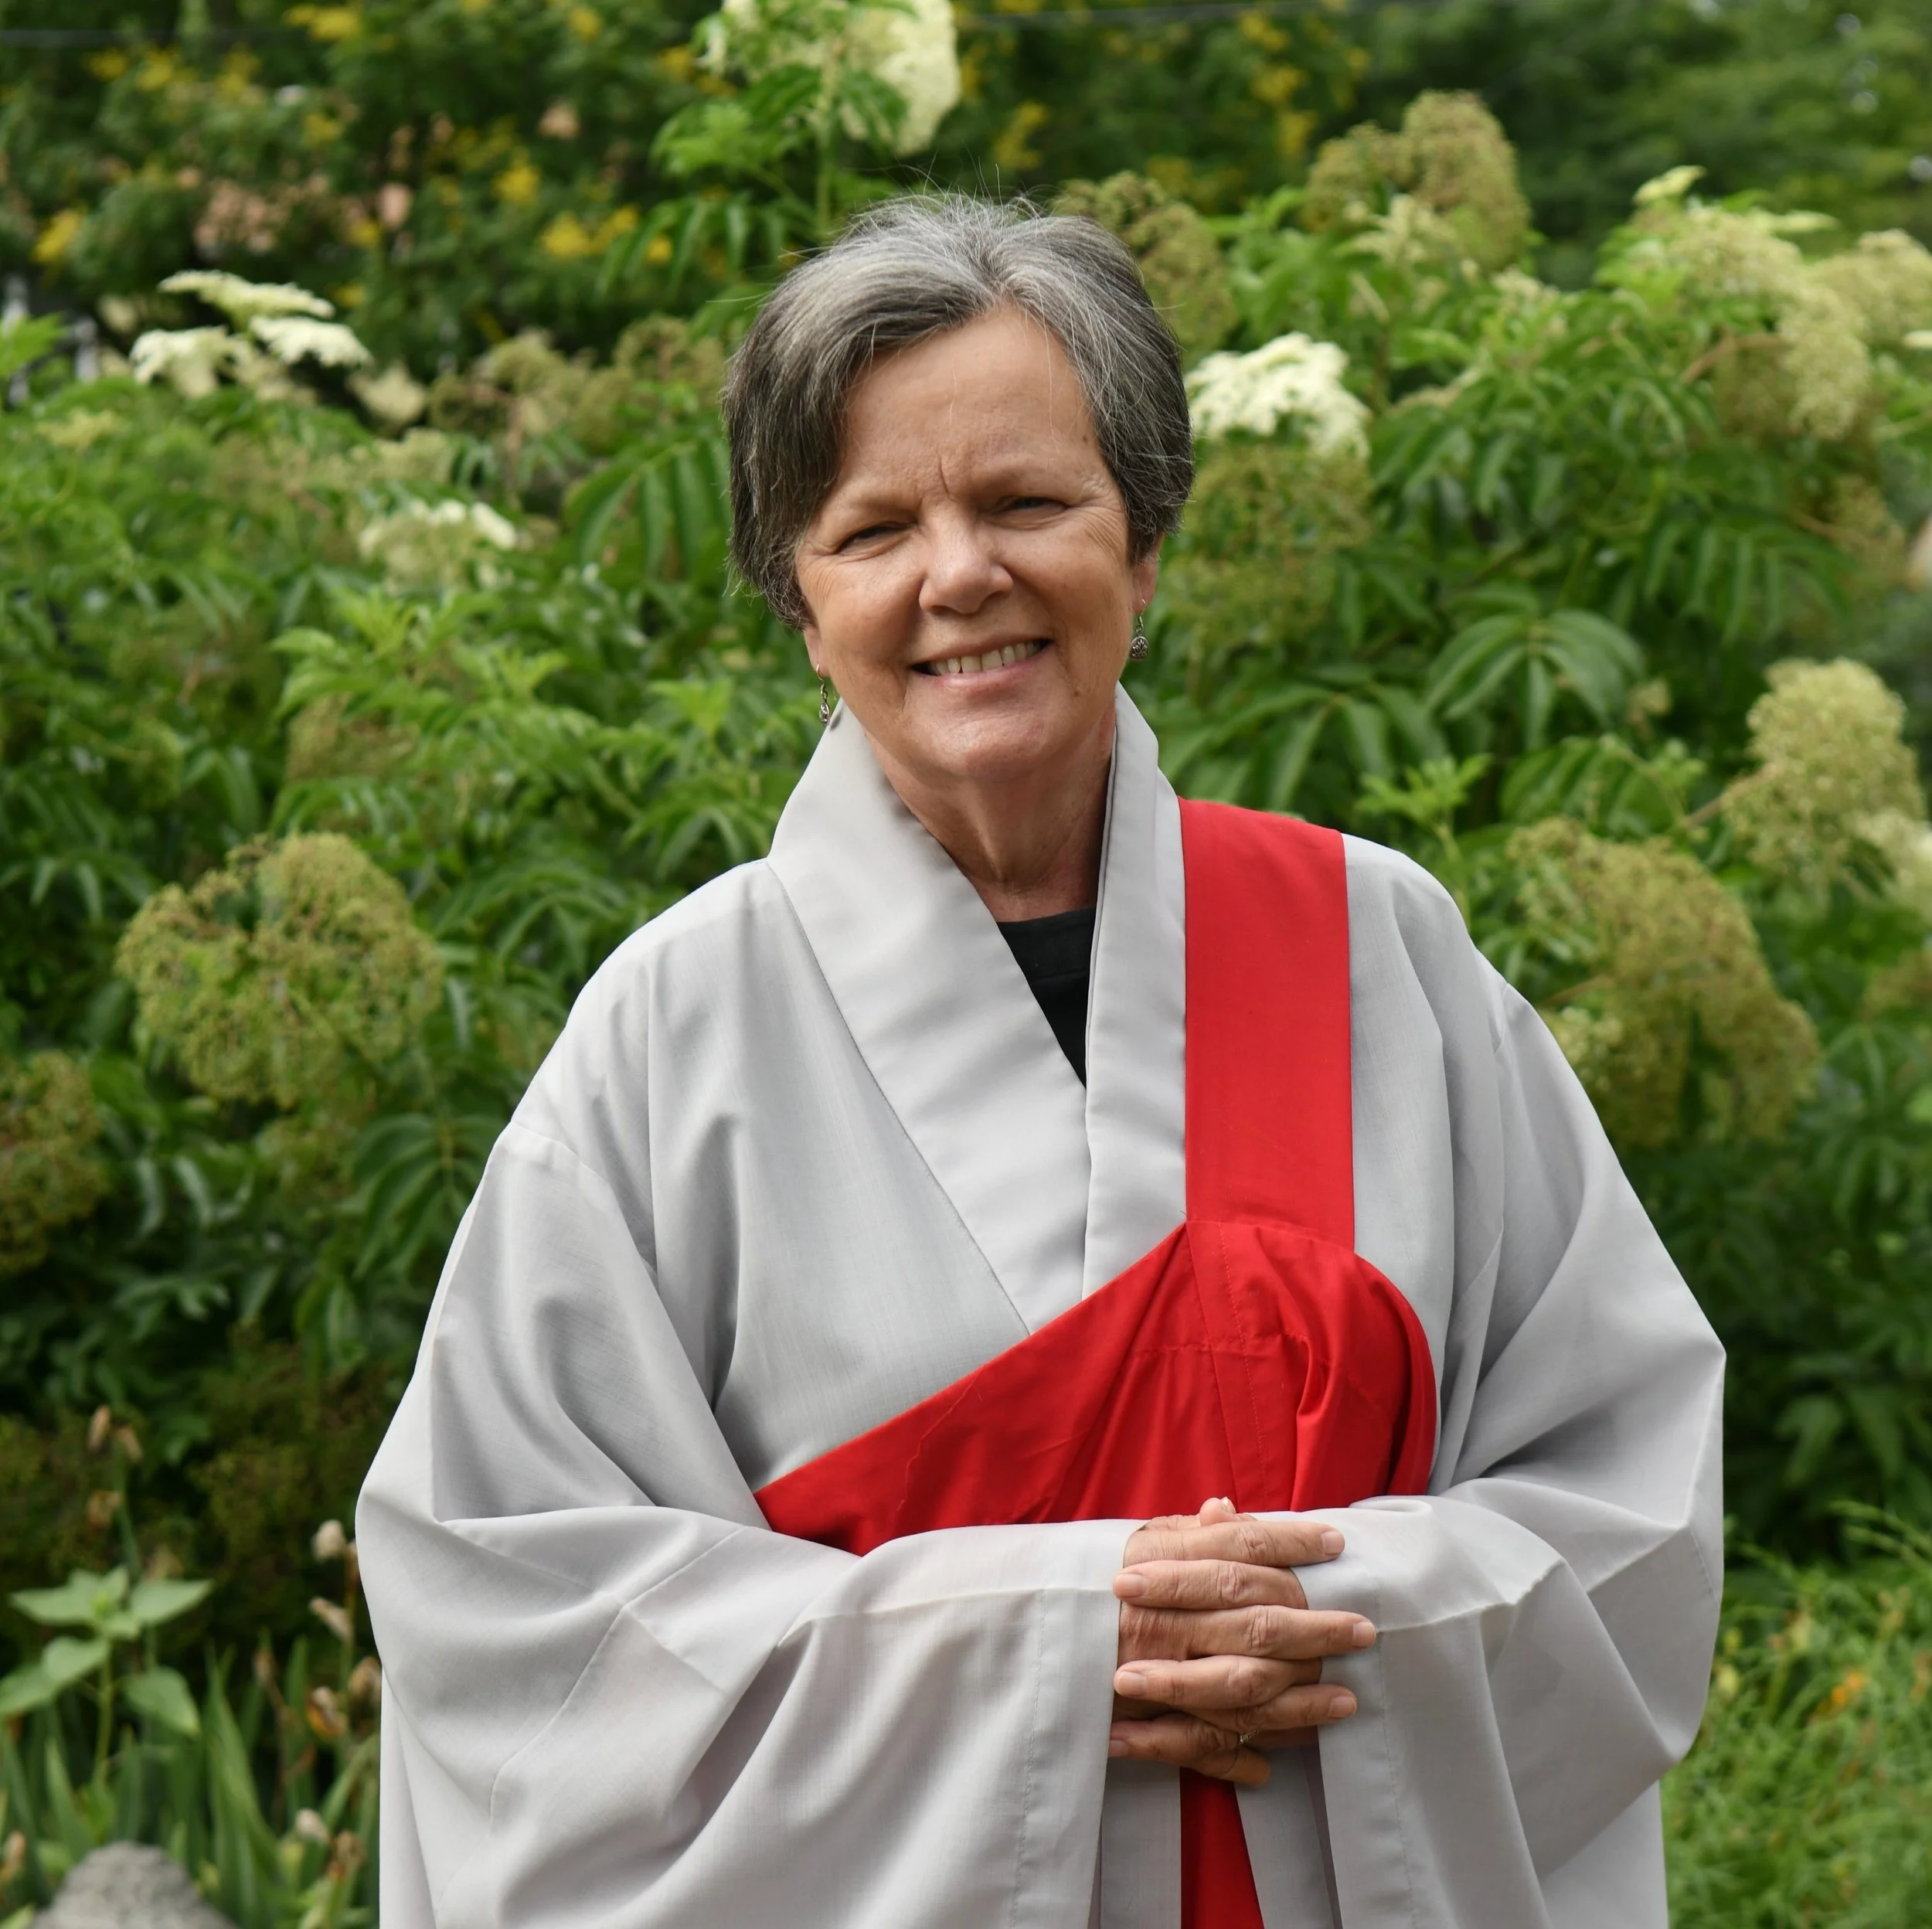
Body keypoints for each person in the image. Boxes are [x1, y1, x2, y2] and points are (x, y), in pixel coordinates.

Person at [358, 196, 1723, 1929]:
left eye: (1025, 502)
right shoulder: (672, 1034)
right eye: (874, 528)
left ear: (1139, 553)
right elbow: (510, 1614)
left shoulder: (1377, 951)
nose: (959, 578)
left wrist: (1302, 1613)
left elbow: (1624, 1508)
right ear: (800, 596)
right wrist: (1046, 1647)